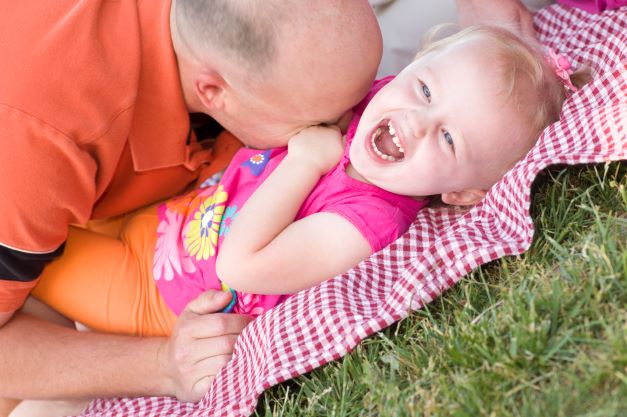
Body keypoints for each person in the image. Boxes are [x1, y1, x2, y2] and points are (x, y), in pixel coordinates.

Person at [28, 26, 588, 413]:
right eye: (424, 88)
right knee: (46, 193)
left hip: (154, 291)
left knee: (31, 263)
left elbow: (242, 265)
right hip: (175, 210)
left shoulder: (366, 221)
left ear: (464, 192)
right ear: (413, 66)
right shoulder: (377, 107)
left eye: (447, 137)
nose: (415, 121)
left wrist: (305, 163)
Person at [0, 0, 383, 411]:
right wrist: (164, 364)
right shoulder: (36, 143)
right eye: (322, 121)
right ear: (213, 92)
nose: (347, 130)